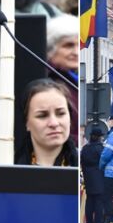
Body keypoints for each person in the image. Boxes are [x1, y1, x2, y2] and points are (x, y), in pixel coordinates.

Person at [15, 79, 76, 166]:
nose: (54, 123)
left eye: (61, 113)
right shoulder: (9, 171)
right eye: (42, 115)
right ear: (27, 122)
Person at [45, 14, 79, 145]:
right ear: (51, 49)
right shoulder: (48, 83)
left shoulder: (71, 79)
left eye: (78, 45)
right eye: (68, 45)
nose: (76, 52)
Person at [80, 128, 106, 223]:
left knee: (89, 203)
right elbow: (104, 163)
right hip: (99, 179)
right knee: (98, 204)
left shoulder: (85, 148)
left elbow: (82, 162)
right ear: (99, 137)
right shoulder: (101, 149)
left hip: (88, 179)